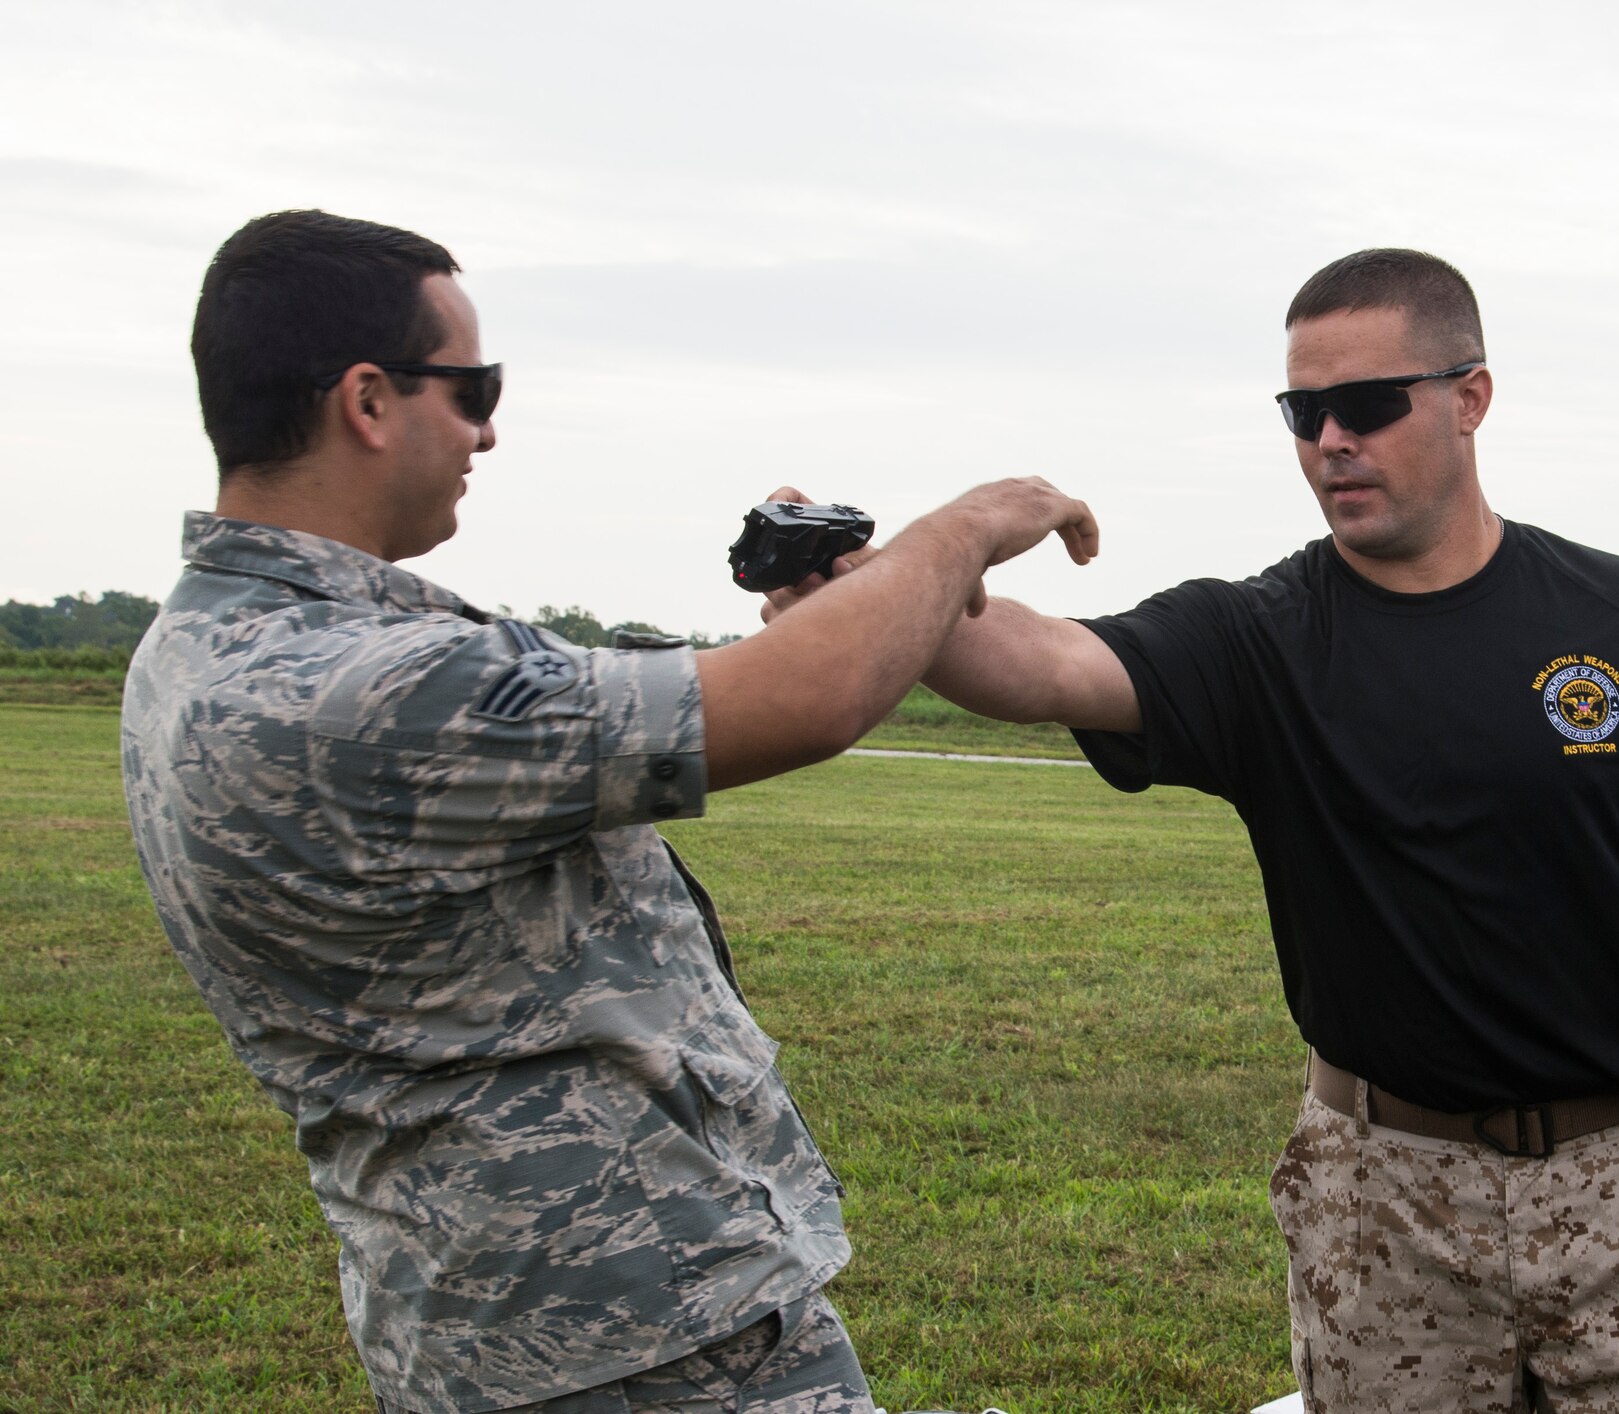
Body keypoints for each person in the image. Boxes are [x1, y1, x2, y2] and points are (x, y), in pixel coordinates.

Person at [775, 249, 1619, 1411]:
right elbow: (1037, 661)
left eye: (1368, 404)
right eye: (1302, 411)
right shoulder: (1260, 640)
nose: (1331, 438)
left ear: (1469, 397)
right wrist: (875, 575)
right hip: (1383, 1193)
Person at [120, 209, 1095, 1414]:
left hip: (493, 1314)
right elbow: (806, 699)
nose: (487, 427)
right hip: (626, 1334)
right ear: (367, 400)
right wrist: (970, 527)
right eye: (471, 386)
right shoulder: (346, 688)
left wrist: (845, 601)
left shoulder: (221, 646)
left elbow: (574, 700)